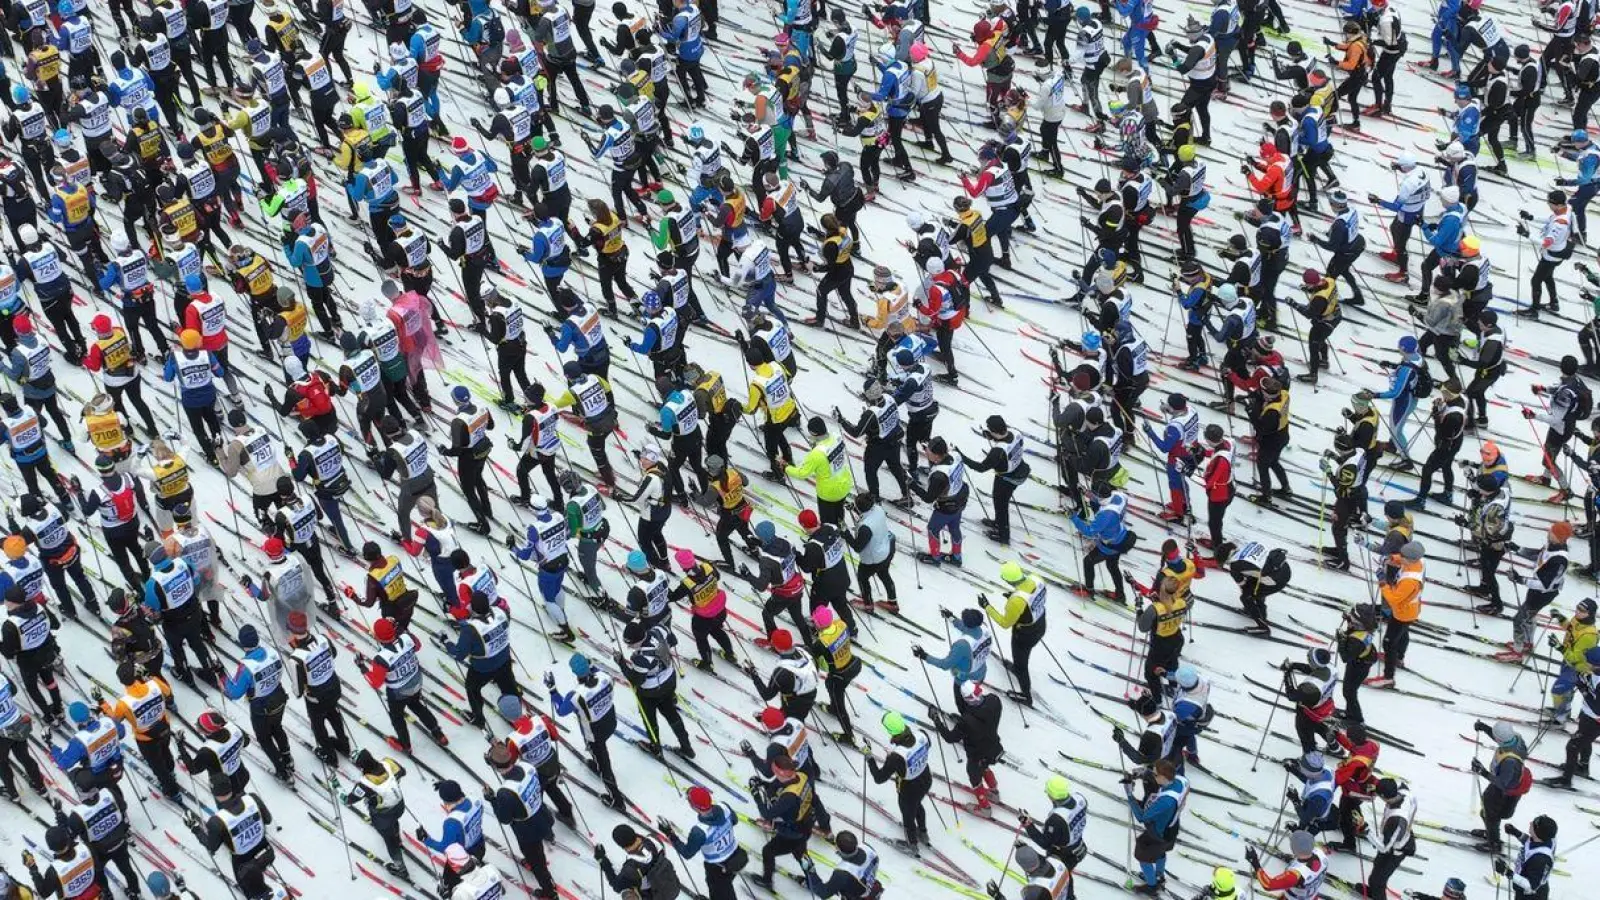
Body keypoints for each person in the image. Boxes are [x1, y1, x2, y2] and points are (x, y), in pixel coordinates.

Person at [661, 786, 749, 900]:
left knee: (718, 890)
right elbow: (734, 821)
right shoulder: (724, 807)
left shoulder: (700, 831)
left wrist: (671, 835)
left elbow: (687, 853)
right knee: (725, 884)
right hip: (735, 856)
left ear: (694, 807)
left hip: (717, 867)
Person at [1246, 831, 1325, 900]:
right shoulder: (1320, 853)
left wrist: (1255, 863)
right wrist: (1300, 836)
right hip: (1312, 896)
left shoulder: (1294, 875)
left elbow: (1268, 885)